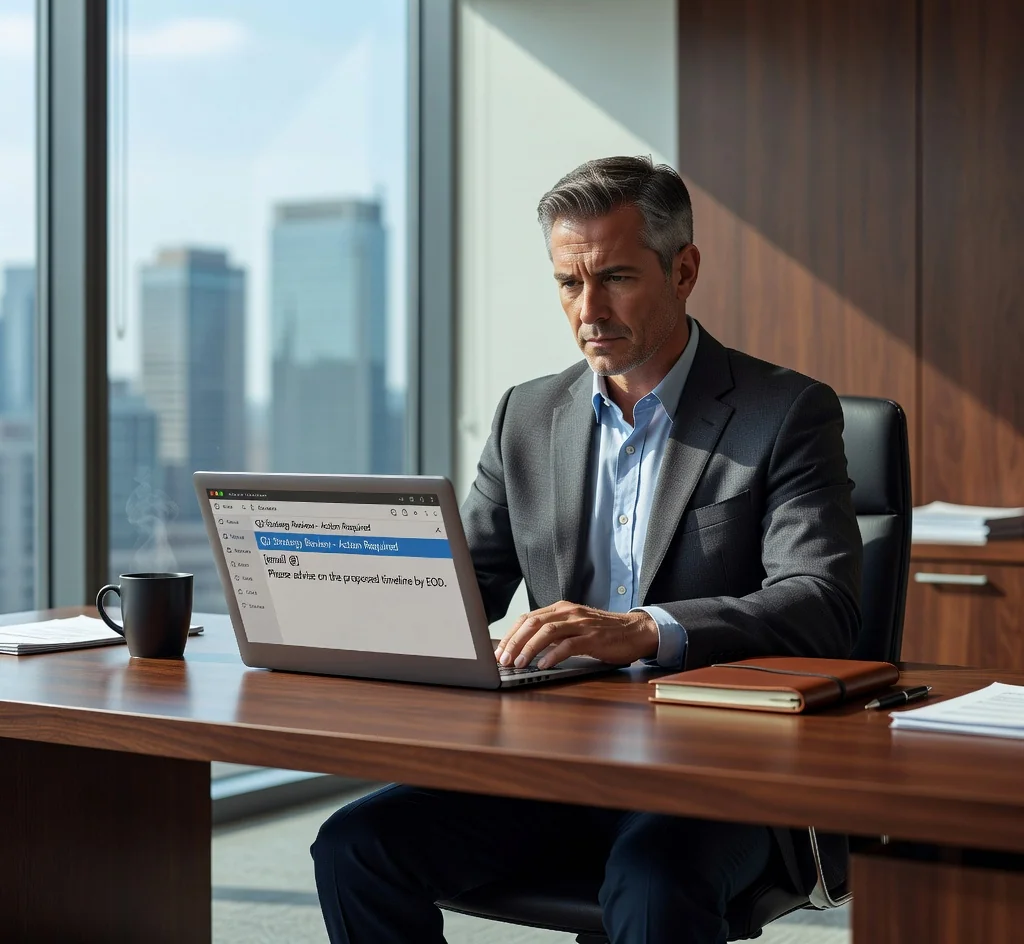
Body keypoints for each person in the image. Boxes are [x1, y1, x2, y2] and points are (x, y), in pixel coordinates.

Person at [311, 155, 863, 944]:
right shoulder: (528, 417)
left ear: (685, 270)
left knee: (651, 876)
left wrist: (645, 627)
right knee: (356, 848)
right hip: (557, 763)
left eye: (616, 278)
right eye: (569, 284)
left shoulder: (785, 412)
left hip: (721, 770)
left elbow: (822, 603)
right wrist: (350, 592)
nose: (589, 310)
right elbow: (460, 584)